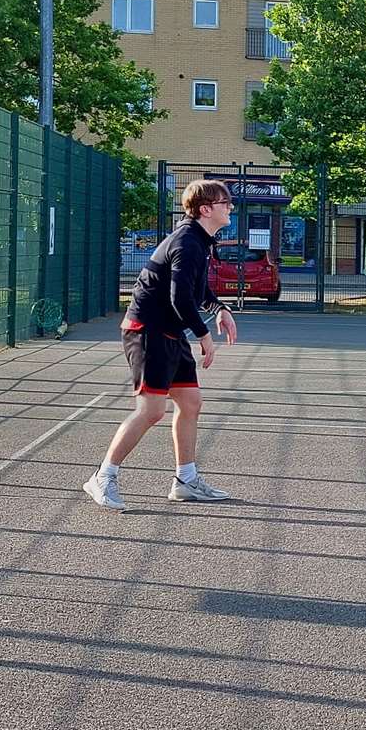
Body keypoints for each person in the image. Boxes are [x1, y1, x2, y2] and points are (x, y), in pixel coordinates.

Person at [81, 179, 239, 512]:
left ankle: (186, 480)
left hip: (168, 331)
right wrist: (204, 334)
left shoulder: (200, 240)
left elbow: (195, 290)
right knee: (151, 410)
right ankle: (103, 476)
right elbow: (179, 296)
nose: (230, 207)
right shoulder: (186, 242)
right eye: (225, 202)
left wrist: (219, 309)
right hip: (147, 331)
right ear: (205, 209)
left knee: (191, 402)